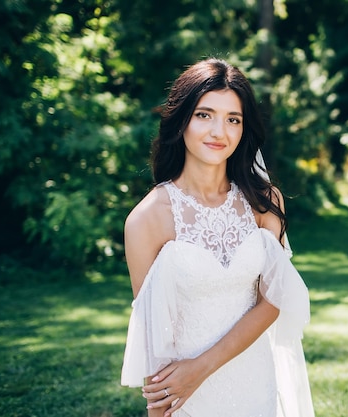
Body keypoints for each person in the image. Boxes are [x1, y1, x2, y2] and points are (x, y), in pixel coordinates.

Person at [120, 58, 314, 417]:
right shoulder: (147, 219)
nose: (219, 132)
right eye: (204, 115)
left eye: (233, 119)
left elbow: (273, 300)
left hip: (255, 382)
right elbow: (152, 336)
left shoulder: (264, 202)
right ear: (182, 121)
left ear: (244, 129)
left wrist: (203, 366)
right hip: (188, 397)